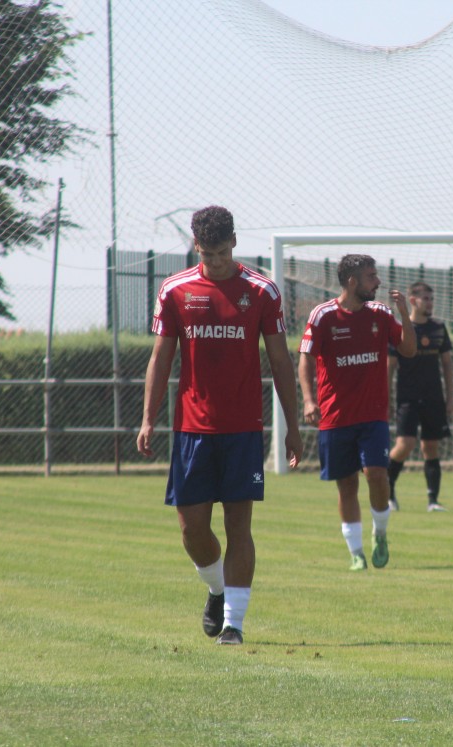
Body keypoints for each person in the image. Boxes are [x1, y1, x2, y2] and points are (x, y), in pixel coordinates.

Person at [137, 205, 303, 645]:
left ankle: (234, 623)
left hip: (243, 429)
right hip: (192, 430)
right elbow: (160, 357)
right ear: (197, 247)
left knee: (238, 527)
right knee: (192, 530)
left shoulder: (262, 291)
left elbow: (281, 361)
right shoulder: (175, 290)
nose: (215, 262)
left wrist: (293, 424)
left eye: (221, 253)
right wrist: (148, 418)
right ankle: (215, 589)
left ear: (234, 242)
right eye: (207, 255)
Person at [298, 254, 416, 570]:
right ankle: (356, 552)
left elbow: (408, 349)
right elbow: (306, 359)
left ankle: (380, 533)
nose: (377, 282)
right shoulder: (322, 316)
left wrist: (404, 314)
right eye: (371, 276)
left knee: (377, 475)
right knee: (346, 485)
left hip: (373, 416)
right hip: (335, 418)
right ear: (353, 282)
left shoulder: (380, 314)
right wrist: (309, 401)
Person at [386, 280, 453, 512]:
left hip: (434, 397)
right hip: (408, 398)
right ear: (413, 301)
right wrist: (386, 399)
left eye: (431, 298)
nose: (430, 303)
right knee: (405, 445)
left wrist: (450, 399)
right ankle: (388, 493)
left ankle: (433, 501)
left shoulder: (438, 327)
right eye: (426, 298)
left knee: (431, 448)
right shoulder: (400, 329)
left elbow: (447, 365)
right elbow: (390, 367)